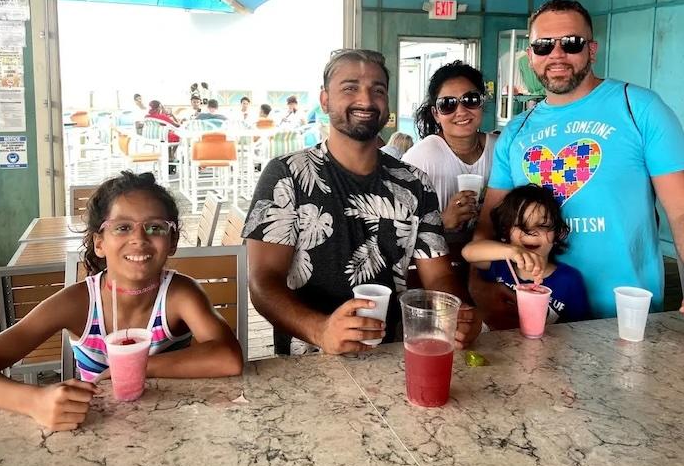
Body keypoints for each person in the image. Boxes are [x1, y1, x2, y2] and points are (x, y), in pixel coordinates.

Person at [470, 0, 684, 353]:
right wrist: (477, 286)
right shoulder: (516, 132)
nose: (556, 54)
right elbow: (490, 223)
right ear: (530, 55)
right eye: (543, 45)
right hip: (538, 324)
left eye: (570, 43)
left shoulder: (640, 108)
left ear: (592, 49)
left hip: (625, 322)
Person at [0, 171, 243, 430]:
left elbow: (227, 358)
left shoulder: (180, 294)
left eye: (155, 228)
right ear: (100, 243)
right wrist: (34, 400)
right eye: (122, 227)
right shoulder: (77, 303)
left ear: (172, 242)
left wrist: (139, 366)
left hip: (169, 420)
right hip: (96, 427)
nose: (139, 238)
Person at [243, 48, 480, 356]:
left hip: (392, 357)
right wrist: (321, 330)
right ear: (325, 99)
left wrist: (459, 312)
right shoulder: (286, 175)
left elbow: (439, 275)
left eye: (377, 90)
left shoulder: (415, 183)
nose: (366, 100)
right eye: (350, 88)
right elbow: (262, 282)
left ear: (388, 103)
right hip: (308, 363)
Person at [403, 61, 497, 267]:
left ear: (482, 103)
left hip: (493, 264)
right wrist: (442, 222)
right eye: (448, 104)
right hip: (437, 266)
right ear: (436, 113)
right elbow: (396, 233)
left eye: (470, 100)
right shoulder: (421, 158)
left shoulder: (500, 150)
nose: (461, 111)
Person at [462, 184, 590, 328]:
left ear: (557, 233)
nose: (531, 232)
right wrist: (511, 251)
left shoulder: (570, 280)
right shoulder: (499, 264)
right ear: (505, 231)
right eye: (520, 225)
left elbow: (580, 330)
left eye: (542, 225)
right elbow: (468, 252)